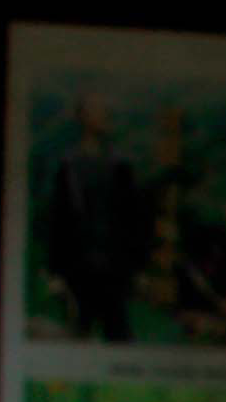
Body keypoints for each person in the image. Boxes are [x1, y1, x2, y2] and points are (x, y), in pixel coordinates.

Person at [35, 97, 151, 343]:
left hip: (113, 265)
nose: (103, 118)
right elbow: (59, 219)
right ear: (83, 118)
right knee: (79, 331)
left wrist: (138, 266)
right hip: (79, 265)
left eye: (104, 112)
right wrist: (55, 271)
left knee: (118, 331)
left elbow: (133, 218)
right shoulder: (68, 166)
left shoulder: (120, 165)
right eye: (96, 112)